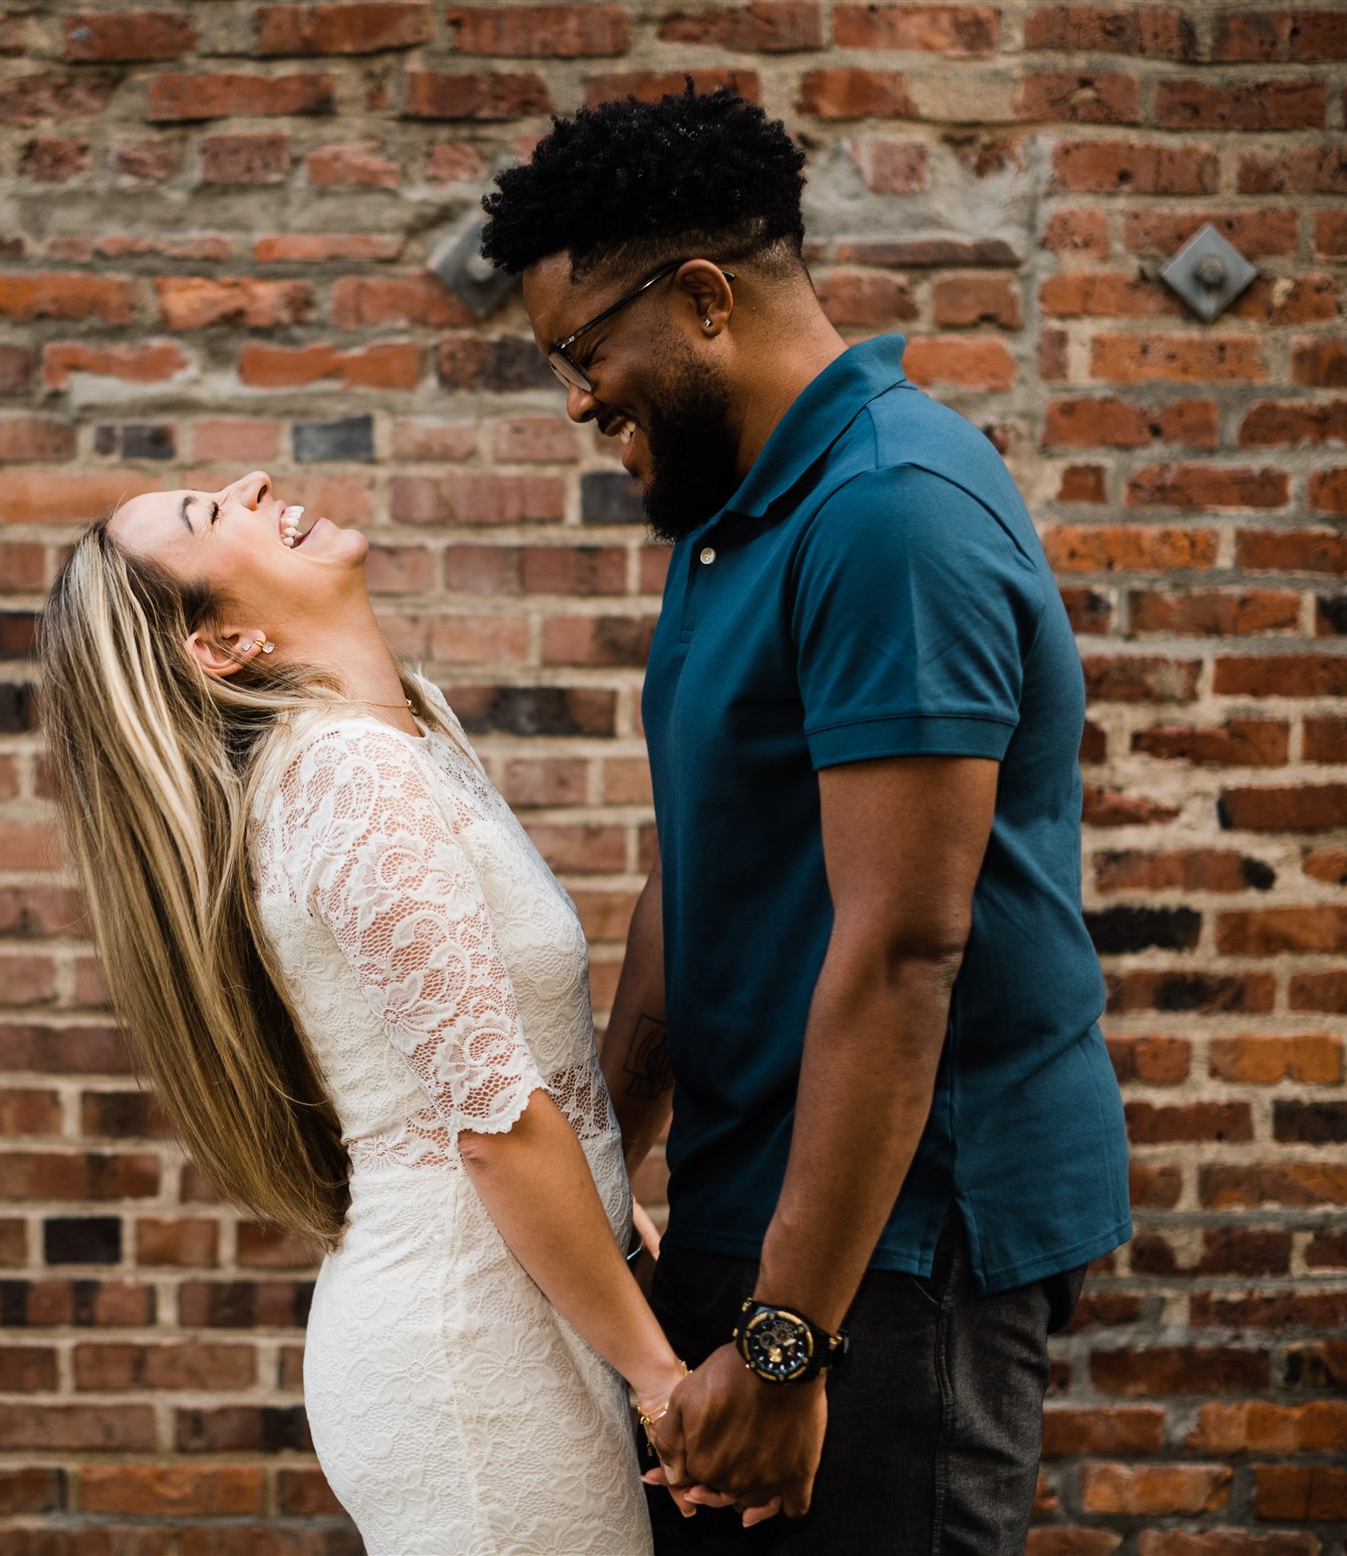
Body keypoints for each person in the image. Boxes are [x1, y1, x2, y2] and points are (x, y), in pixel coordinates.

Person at [481, 86, 1134, 1553]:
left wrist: (790, 1344)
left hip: (897, 1244)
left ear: (703, 299)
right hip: (763, 1209)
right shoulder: (735, 519)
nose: (578, 397)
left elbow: (906, 947)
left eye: (582, 351)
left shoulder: (889, 513)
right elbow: (694, 882)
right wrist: (603, 1178)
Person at [37, 471, 705, 1554]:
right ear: (221, 646)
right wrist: (662, 1382)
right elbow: (489, 1125)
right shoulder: (348, 774)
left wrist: (601, 1194)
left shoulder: (401, 736)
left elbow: (484, 1066)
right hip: (473, 1357)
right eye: (208, 514)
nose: (249, 484)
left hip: (523, 1307)